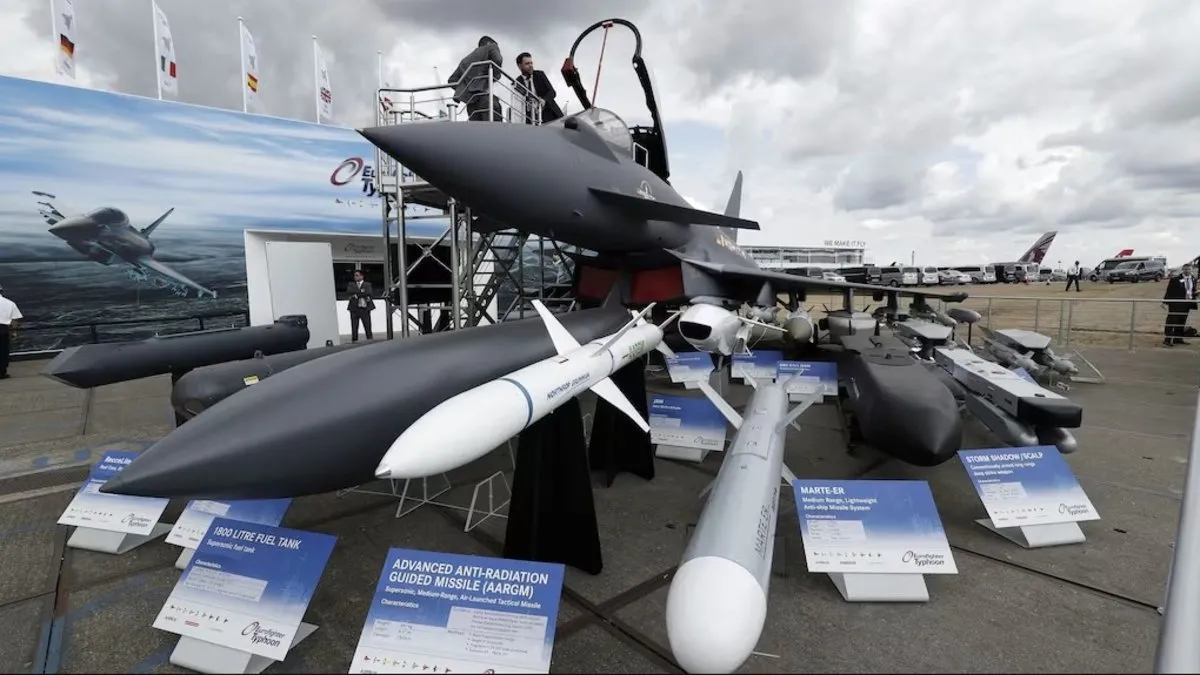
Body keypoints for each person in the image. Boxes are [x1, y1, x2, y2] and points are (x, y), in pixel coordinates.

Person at [449, 36, 503, 122]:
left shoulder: (465, 61)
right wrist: (493, 76)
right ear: (488, 43)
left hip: (471, 103)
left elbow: (452, 80)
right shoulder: (491, 46)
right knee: (495, 128)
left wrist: (466, 89)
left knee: (476, 129)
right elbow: (498, 59)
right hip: (487, 98)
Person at [515, 52, 563, 125]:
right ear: (520, 66)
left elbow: (552, 92)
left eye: (531, 63)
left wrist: (544, 100)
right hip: (531, 120)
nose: (531, 65)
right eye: (527, 64)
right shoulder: (517, 82)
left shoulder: (540, 74)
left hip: (551, 115)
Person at [1161, 264, 1196, 346]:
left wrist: (1195, 293)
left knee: (1182, 322)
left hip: (1187, 304)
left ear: (1192, 270)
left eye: (1189, 269)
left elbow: (1191, 290)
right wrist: (1164, 302)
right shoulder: (1175, 279)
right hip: (1176, 304)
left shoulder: (1193, 279)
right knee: (1172, 321)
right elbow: (1169, 291)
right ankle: (1167, 340)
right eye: (1186, 269)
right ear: (1183, 270)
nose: (1187, 271)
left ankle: (1178, 339)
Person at [346, 270, 375, 342]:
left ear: (362, 276)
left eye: (357, 275)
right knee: (354, 326)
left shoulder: (367, 284)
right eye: (354, 275)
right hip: (354, 308)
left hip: (364, 308)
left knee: (367, 326)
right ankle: (354, 341)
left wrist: (356, 295)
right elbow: (349, 292)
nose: (355, 277)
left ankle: (370, 340)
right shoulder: (351, 284)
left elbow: (369, 293)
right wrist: (361, 291)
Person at [0, 284, 22, 379]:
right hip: (3, 330)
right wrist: (14, 332)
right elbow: (15, 320)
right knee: (3, 352)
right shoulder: (10, 303)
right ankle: (2, 373)